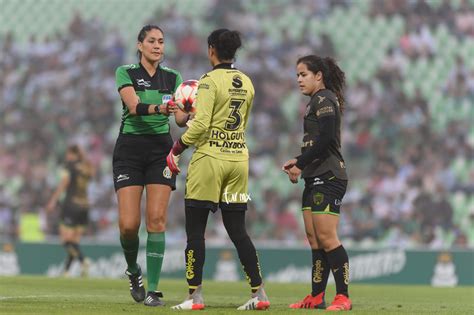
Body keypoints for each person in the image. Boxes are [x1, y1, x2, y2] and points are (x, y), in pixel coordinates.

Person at [166, 29, 270, 311]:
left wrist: (176, 148)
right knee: (238, 230)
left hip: (210, 161)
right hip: (239, 162)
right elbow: (237, 122)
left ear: (211, 49)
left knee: (195, 231)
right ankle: (259, 293)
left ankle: (194, 296)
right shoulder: (247, 82)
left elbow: (201, 126)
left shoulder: (209, 82)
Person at [113, 24, 188, 307]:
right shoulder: (126, 72)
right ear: (140, 45)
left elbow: (179, 119)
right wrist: (161, 109)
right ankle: (134, 271)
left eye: (161, 42)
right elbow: (133, 106)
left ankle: (154, 291)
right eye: (152, 41)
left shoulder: (173, 77)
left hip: (160, 151)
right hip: (129, 151)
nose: (158, 46)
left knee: (156, 220)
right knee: (129, 225)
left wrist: (191, 112)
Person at [282, 55, 352, 311]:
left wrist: (300, 163)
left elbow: (325, 140)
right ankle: (316, 296)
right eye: (297, 75)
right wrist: (299, 161)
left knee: (327, 237)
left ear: (318, 75)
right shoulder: (315, 101)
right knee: (314, 238)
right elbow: (316, 143)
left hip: (330, 175)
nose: (299, 79)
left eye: (304, 74)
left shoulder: (324, 99)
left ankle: (343, 297)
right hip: (314, 175)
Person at [46, 144, 94, 277]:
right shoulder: (86, 167)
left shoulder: (70, 166)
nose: (67, 157)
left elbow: (64, 184)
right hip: (84, 206)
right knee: (75, 242)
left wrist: (53, 201)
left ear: (72, 154)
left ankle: (83, 260)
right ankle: (66, 271)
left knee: (65, 240)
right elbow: (91, 175)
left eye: (68, 154)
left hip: (71, 205)